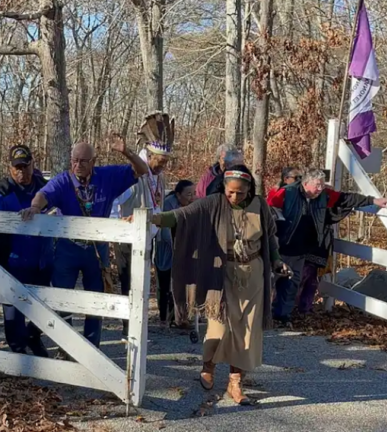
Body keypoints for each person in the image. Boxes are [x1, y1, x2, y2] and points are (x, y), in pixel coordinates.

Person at [148, 165, 286, 405]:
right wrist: (153, 218)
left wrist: (276, 261)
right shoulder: (214, 202)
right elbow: (183, 215)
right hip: (220, 274)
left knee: (246, 331)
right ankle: (208, 366)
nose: (233, 197)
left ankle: (235, 382)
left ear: (249, 189)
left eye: (240, 193)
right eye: (230, 192)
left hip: (252, 274)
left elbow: (270, 238)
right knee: (219, 326)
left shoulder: (261, 206)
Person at [20, 137, 148, 351]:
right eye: (74, 160)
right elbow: (43, 194)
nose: (78, 165)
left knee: (96, 300)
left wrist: (127, 152)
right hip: (67, 247)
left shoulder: (107, 177)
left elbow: (142, 171)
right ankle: (67, 347)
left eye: (83, 161)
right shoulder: (63, 181)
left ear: (93, 162)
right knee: (63, 299)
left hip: (97, 249)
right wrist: (34, 208)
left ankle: (91, 348)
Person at [267, 168, 387, 325]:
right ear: (305, 183)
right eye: (317, 185)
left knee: (292, 283)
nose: (320, 189)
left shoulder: (324, 196)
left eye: (322, 185)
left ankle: (281, 316)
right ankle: (262, 314)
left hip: (301, 249)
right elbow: (268, 212)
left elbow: (346, 198)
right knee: (270, 280)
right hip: (281, 245)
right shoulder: (286, 193)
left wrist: (373, 201)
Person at [0, 145, 52, 357]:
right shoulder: (3, 189)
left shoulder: (44, 187)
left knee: (43, 306)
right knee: (13, 309)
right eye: (17, 167)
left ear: (32, 164)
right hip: (13, 260)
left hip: (42, 259)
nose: (21, 171)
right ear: (10, 169)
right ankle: (18, 354)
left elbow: (60, 203)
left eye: (25, 166)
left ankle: (33, 336)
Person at [111, 112, 174, 337]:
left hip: (148, 235)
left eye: (166, 162)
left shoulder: (158, 175)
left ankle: (138, 324)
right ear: (148, 155)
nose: (163, 166)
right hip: (127, 237)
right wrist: (117, 223)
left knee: (144, 281)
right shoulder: (133, 173)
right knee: (129, 282)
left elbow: (157, 203)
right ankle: (129, 328)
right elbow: (113, 199)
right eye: (161, 161)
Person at [153, 179, 195, 326]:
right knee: (164, 284)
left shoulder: (190, 207)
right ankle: (164, 317)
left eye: (193, 194)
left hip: (182, 250)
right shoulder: (169, 204)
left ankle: (177, 317)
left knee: (179, 284)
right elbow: (164, 233)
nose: (191, 198)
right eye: (188, 194)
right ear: (178, 194)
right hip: (166, 249)